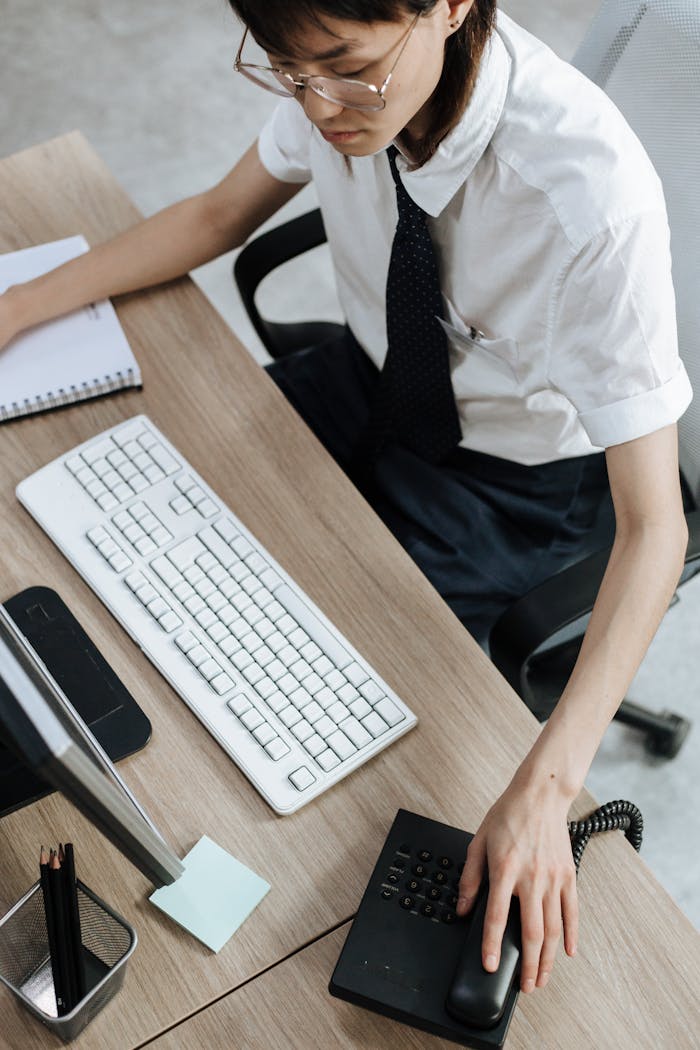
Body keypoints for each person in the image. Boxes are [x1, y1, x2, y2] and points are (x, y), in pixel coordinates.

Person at [0, 0, 691, 998]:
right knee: (119, 547)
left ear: (449, 7)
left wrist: (548, 787)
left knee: (316, 743)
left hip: (507, 487)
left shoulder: (587, 200)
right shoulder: (339, 84)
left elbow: (654, 527)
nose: (318, 105)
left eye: (341, 67)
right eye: (286, 69)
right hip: (367, 381)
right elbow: (214, 217)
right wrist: (18, 307)